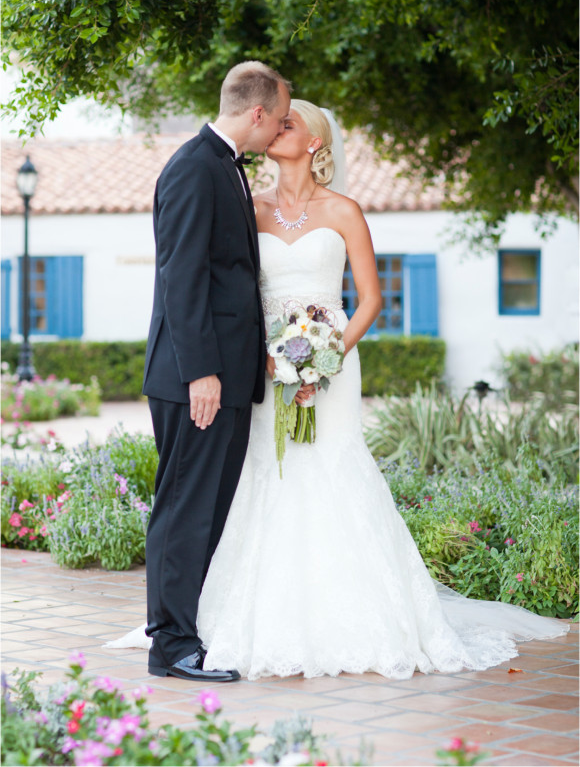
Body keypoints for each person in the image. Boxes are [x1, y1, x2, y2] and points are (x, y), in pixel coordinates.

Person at [108, 100, 568, 679]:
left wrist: (325, 360)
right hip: (265, 369)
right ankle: (227, 619)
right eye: (276, 120)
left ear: (316, 144)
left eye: (290, 123)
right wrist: (268, 360)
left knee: (330, 472)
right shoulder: (247, 208)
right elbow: (221, 284)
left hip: (330, 367)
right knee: (263, 478)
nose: (278, 127)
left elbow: (371, 299)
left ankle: (354, 615)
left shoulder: (345, 211)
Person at [141, 61, 291, 682]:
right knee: (185, 509)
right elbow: (181, 276)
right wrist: (202, 370)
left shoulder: (223, 166)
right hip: (195, 380)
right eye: (279, 118)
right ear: (257, 113)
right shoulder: (193, 167)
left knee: (210, 509)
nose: (281, 127)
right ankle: (171, 647)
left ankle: (190, 633)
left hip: (227, 378)